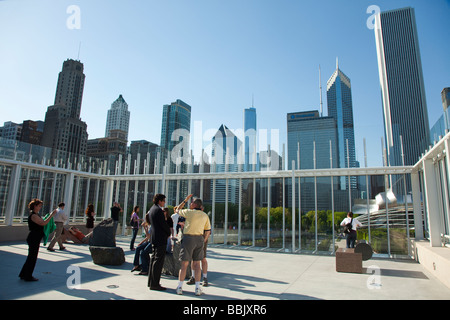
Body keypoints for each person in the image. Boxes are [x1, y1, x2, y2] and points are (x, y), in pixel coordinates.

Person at [175, 195, 211, 296]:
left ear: (195, 204)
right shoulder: (205, 215)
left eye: (191, 202)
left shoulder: (188, 212)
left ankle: (180, 287)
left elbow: (177, 209)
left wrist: (184, 200)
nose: (190, 204)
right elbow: (208, 230)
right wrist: (203, 240)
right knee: (197, 264)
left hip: (188, 238)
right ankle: (197, 288)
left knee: (184, 264)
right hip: (199, 239)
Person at [19, 199, 57, 281]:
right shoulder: (34, 216)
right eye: (39, 206)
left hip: (35, 238)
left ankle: (23, 274)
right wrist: (51, 215)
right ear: (35, 206)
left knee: (31, 257)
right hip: (34, 238)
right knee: (32, 257)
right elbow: (43, 223)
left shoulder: (36, 215)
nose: (40, 207)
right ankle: (27, 276)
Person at [147, 194, 170, 291]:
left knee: (153, 260)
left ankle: (151, 282)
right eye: (163, 201)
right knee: (158, 261)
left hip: (154, 238)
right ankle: (155, 284)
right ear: (159, 201)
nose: (164, 202)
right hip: (160, 238)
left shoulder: (152, 209)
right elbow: (163, 225)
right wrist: (168, 232)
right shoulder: (159, 211)